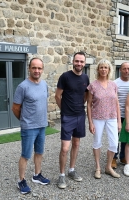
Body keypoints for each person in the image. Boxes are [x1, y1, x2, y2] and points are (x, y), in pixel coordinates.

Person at [12, 58, 50, 194]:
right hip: (29, 127)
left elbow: (43, 102)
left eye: (39, 68)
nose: (37, 71)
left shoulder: (44, 84)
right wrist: (24, 120)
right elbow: (15, 108)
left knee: (39, 152)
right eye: (34, 68)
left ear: (42, 69)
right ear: (29, 68)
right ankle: (21, 181)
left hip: (42, 125)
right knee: (26, 155)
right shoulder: (23, 86)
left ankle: (37, 175)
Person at [55, 51, 89, 189]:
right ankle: (61, 175)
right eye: (77, 61)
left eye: (81, 61)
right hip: (67, 117)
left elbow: (86, 95)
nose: (79, 63)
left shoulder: (86, 78)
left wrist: (80, 105)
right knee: (65, 148)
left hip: (80, 116)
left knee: (76, 144)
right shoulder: (65, 77)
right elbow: (57, 96)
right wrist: (65, 110)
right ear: (73, 61)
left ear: (84, 63)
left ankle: (71, 170)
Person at [87, 59, 121, 179]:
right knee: (97, 142)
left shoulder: (113, 85)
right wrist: (90, 122)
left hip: (112, 117)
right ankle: (98, 167)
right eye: (101, 67)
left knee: (114, 143)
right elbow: (89, 104)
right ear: (98, 69)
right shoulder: (93, 85)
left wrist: (119, 121)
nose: (103, 69)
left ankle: (108, 167)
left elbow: (117, 103)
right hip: (97, 117)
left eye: (105, 67)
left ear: (109, 70)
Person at [112, 62, 129, 169]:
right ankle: (113, 157)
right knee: (114, 137)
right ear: (120, 70)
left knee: (125, 137)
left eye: (128, 69)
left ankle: (123, 157)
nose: (126, 71)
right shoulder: (114, 83)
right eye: (124, 69)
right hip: (115, 115)